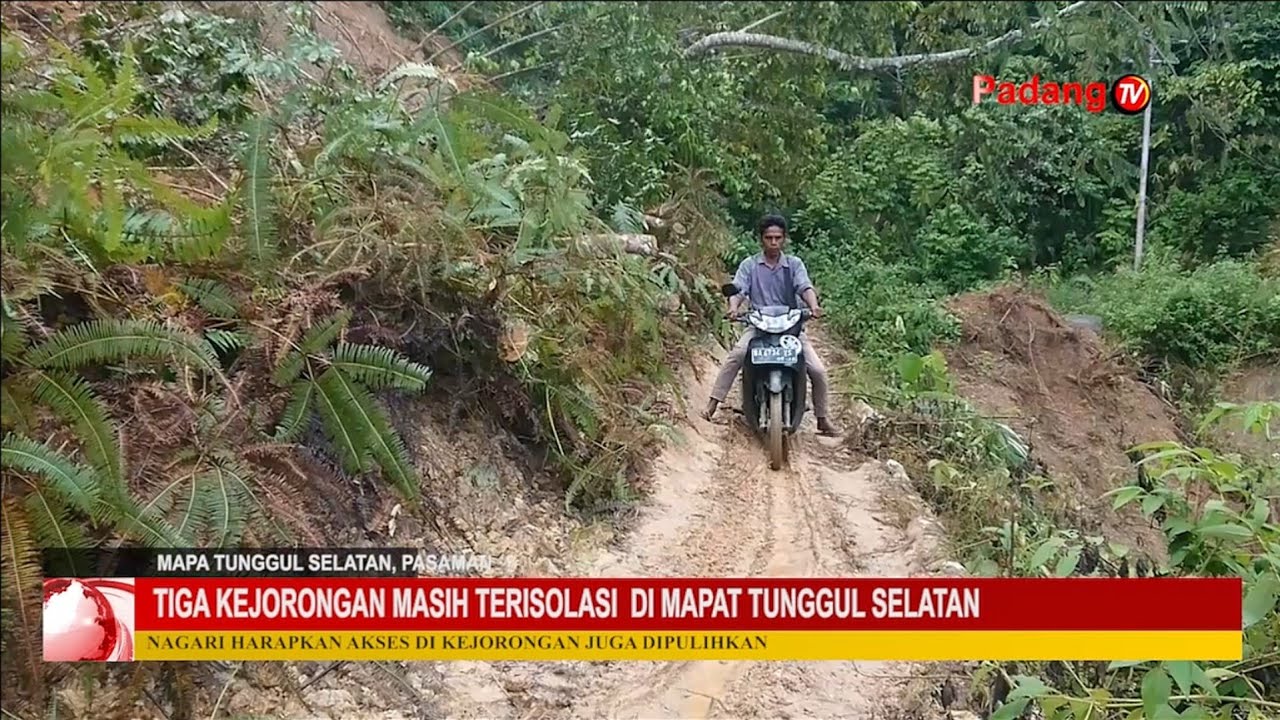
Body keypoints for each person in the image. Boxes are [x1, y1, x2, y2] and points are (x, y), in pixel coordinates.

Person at [702, 214, 840, 436]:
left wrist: (813, 306)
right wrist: (733, 308)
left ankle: (822, 419)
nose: (773, 242)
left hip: (791, 329)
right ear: (761, 239)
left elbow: (805, 287)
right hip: (759, 327)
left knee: (818, 370)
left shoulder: (794, 265)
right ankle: (713, 404)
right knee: (737, 355)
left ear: (784, 239)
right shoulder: (749, 265)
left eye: (778, 238)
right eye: (769, 238)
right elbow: (738, 289)